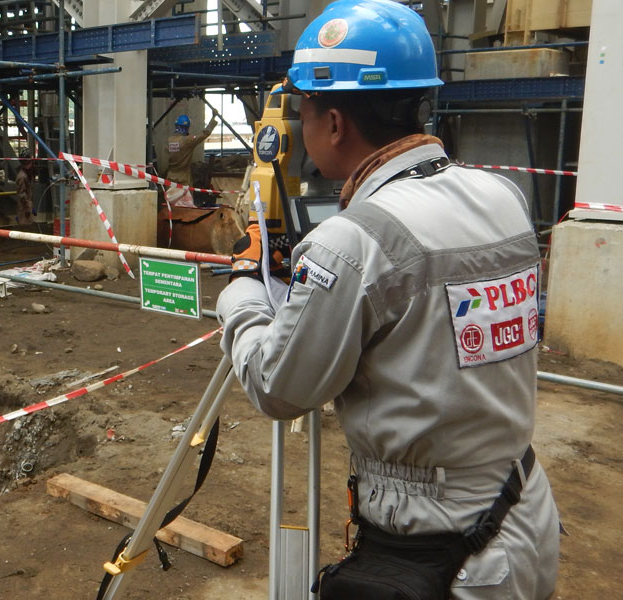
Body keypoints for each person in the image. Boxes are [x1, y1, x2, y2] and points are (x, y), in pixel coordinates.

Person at [216, 1, 558, 598]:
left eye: (303, 112)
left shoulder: (352, 241)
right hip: (522, 514)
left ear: (334, 123)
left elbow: (279, 387)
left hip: (440, 554)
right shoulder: (502, 195)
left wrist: (243, 292)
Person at [164, 113, 217, 207]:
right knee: (186, 206)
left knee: (171, 205)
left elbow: (165, 160)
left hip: (170, 177)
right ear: (186, 128)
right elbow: (204, 134)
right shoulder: (188, 141)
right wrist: (213, 119)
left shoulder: (169, 141)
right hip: (184, 178)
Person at [14, 150, 35, 226]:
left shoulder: (25, 174)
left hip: (26, 208)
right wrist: (28, 208)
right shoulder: (22, 177)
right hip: (24, 210)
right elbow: (22, 194)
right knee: (25, 228)